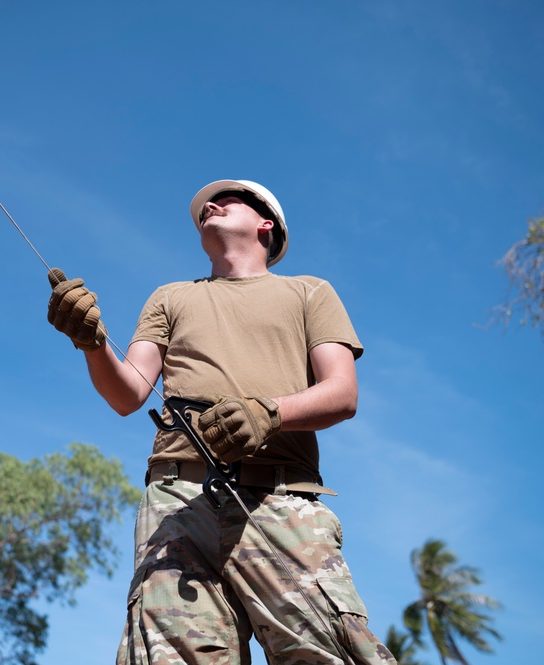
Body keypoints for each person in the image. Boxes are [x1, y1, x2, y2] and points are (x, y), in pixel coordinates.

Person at [47, 180, 396, 665]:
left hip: (282, 499)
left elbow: (342, 393)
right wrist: (92, 342)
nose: (208, 206)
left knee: (326, 651)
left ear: (265, 223)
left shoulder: (309, 292)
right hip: (176, 503)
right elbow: (128, 393)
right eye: (204, 208)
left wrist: (268, 413)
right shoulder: (170, 297)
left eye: (227, 200)